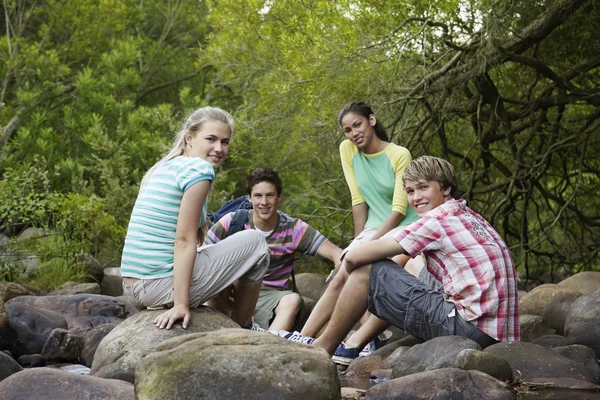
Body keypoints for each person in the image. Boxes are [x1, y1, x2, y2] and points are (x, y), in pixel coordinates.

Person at [308, 156, 520, 358]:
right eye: (410, 191)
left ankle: (323, 347)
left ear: (446, 188)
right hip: (499, 337)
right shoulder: (468, 215)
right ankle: (355, 344)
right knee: (401, 266)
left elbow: (354, 259)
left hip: (469, 331)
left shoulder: (436, 220)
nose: (416, 197)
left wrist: (347, 265)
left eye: (423, 187)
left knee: (368, 270)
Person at [120, 106, 270, 331]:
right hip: (158, 286)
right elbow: (184, 240)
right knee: (256, 242)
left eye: (225, 142)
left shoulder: (165, 166)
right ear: (189, 137)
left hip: (132, 286)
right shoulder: (199, 170)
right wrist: (181, 305)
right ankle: (244, 328)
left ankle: (223, 322)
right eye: (211, 139)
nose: (219, 148)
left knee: (212, 252)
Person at [298, 102, 419, 362]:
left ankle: (360, 340)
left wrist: (367, 248)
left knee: (375, 273)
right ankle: (304, 339)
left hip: (405, 227)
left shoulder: (400, 154)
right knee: (342, 273)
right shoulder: (348, 150)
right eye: (348, 130)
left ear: (372, 120)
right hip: (374, 226)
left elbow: (399, 209)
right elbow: (358, 200)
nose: (354, 133)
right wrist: (357, 243)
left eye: (358, 125)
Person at [205, 168, 343, 332]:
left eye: (270, 195)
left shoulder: (293, 228)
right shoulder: (233, 222)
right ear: (249, 197)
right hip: (234, 292)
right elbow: (203, 253)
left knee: (292, 300)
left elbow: (337, 253)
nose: (264, 202)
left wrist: (337, 271)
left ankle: (270, 346)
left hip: (271, 295)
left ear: (279, 197)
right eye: (258, 196)